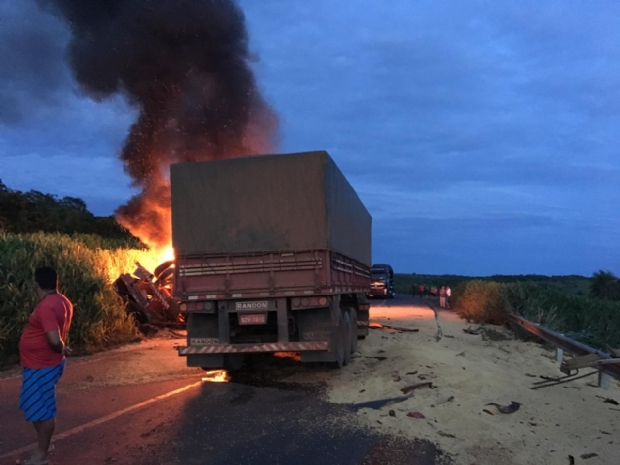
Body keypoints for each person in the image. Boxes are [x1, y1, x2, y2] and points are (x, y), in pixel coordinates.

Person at [18, 267, 73, 465]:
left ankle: (41, 455)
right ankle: (45, 443)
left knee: (43, 409)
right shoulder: (63, 301)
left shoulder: (46, 306)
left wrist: (61, 348)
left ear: (36, 284)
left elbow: (53, 338)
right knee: (34, 405)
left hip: (41, 366)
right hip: (40, 364)